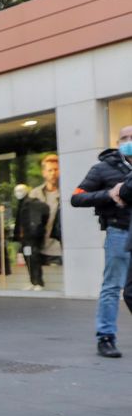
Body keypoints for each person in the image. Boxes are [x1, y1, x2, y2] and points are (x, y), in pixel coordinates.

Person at [70, 129, 132, 357]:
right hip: (120, 232)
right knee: (113, 286)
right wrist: (109, 194)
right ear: (117, 143)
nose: (129, 142)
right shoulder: (103, 168)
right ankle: (105, 337)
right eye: (124, 138)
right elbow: (77, 197)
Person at [13, 183, 50, 291]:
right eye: (16, 191)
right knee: (28, 258)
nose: (18, 194)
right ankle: (33, 281)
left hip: (32, 237)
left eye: (20, 191)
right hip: (25, 237)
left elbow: (45, 211)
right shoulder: (21, 204)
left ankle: (38, 282)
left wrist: (37, 228)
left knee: (34, 258)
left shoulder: (32, 203)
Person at [30, 154, 63, 269]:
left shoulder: (65, 193)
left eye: (56, 169)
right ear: (44, 172)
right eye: (50, 170)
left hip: (58, 250)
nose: (53, 173)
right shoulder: (35, 194)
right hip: (39, 249)